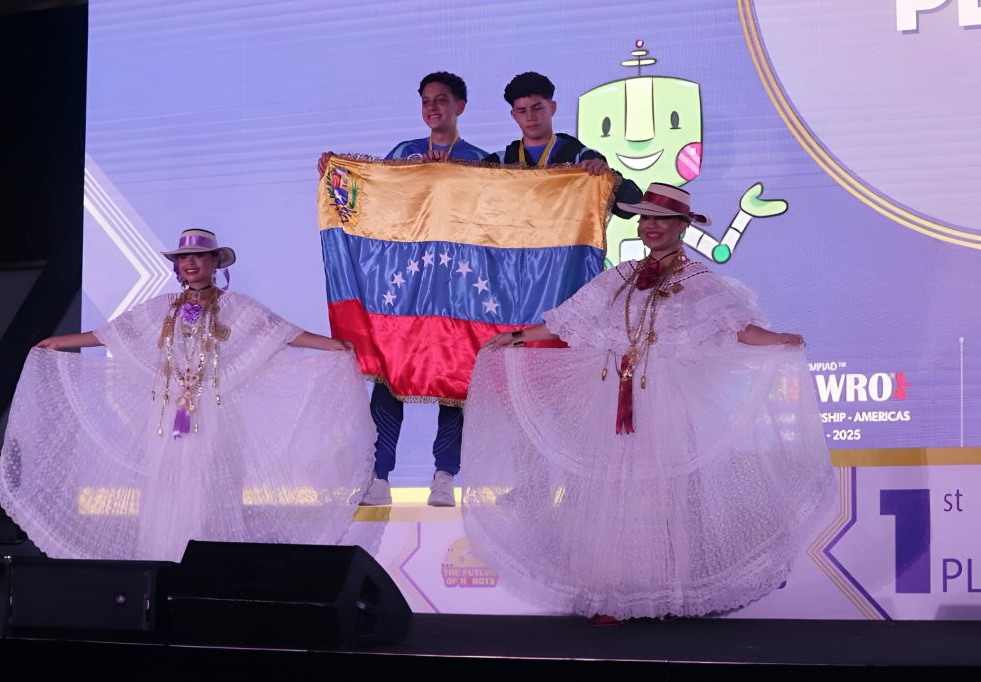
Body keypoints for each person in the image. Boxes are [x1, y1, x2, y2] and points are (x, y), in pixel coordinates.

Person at [461, 183, 835, 624]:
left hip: (664, 404)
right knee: (611, 494)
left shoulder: (697, 281)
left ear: (683, 227)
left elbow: (737, 327)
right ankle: (612, 595)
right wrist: (517, 337)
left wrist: (779, 339)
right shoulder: (619, 277)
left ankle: (666, 595)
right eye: (646, 218)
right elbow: (567, 322)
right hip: (611, 400)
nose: (651, 226)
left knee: (662, 496)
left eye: (662, 219)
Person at [0, 229, 376, 562]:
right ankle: (164, 563)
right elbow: (116, 333)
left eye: (198, 256)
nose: (189, 263)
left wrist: (329, 345)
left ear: (215, 262)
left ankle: (205, 569)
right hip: (167, 418)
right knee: (166, 488)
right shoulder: (163, 307)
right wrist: (63, 342)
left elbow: (280, 333)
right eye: (183, 258)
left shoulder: (236, 306)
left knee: (208, 487)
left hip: (214, 415)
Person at [319, 72, 488, 507]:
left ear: (460, 106)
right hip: (406, 288)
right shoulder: (402, 154)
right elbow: (373, 203)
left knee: (456, 382)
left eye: (442, 100)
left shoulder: (482, 161)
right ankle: (379, 476)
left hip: (457, 287)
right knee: (390, 377)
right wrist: (338, 177)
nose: (433, 108)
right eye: (426, 101)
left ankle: (445, 476)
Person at [484, 71, 641, 219]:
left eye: (537, 108)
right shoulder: (498, 163)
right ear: (513, 115)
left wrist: (608, 176)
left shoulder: (582, 158)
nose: (530, 117)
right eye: (521, 111)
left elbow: (633, 206)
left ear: (552, 107)